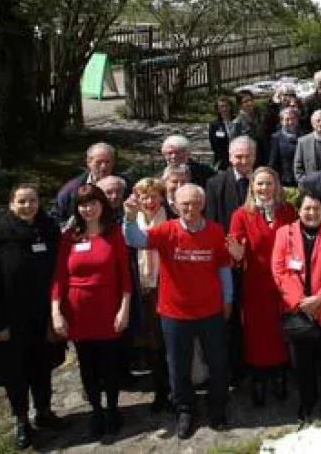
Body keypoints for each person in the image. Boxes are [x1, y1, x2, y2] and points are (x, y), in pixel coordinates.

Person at [122, 185, 233, 439]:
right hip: (175, 313)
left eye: (195, 203)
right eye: (185, 204)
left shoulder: (215, 231)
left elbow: (223, 267)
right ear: (175, 206)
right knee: (177, 366)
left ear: (202, 204)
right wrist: (129, 217)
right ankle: (185, 410)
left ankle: (218, 408)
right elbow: (136, 240)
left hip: (210, 311)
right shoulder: (167, 230)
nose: (190, 209)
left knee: (218, 362)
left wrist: (228, 300)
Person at [0, 185, 63, 450]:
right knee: (16, 372)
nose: (28, 206)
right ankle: (21, 420)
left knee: (43, 365)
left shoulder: (49, 233)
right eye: (22, 201)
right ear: (11, 204)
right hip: (11, 323)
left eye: (33, 201)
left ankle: (44, 412)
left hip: (42, 317)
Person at [51, 184, 132, 443]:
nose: (88, 208)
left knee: (109, 364)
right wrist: (56, 311)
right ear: (77, 208)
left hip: (108, 308)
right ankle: (96, 411)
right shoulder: (69, 237)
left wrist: (124, 308)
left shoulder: (114, 233)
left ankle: (112, 409)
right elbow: (59, 278)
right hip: (78, 311)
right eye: (82, 204)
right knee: (87, 365)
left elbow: (125, 277)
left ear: (102, 205)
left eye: (93, 202)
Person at [271, 189, 321, 422]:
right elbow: (279, 271)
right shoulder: (284, 234)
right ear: (299, 210)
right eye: (307, 208)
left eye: (317, 208)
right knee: (302, 364)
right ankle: (307, 403)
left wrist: (320, 298)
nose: (312, 213)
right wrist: (300, 302)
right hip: (298, 312)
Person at [226, 167, 295, 407]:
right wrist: (236, 253)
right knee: (256, 333)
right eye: (259, 184)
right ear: (252, 187)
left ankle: (279, 375)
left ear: (276, 186)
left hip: (284, 281)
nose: (264, 189)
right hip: (255, 282)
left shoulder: (287, 211)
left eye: (268, 184)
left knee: (280, 330)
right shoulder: (241, 214)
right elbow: (235, 249)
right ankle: (258, 378)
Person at [129, 178, 173, 412]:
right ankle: (159, 391)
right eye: (144, 196)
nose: (149, 201)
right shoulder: (129, 223)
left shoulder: (172, 219)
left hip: (166, 286)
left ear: (161, 197)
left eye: (154, 196)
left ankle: (175, 388)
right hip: (143, 288)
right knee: (152, 342)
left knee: (170, 340)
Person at [293, 110, 321, 183]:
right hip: (310, 186)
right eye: (318, 121)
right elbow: (298, 166)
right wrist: (305, 182)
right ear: (312, 124)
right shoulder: (303, 141)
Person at [269, 106, 302, 186]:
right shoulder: (276, 138)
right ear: (281, 121)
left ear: (297, 120)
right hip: (285, 181)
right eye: (287, 119)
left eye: (292, 118)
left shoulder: (304, 135)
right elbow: (272, 162)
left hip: (302, 179)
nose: (290, 122)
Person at [209, 96, 236, 171]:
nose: (224, 109)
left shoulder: (237, 121)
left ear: (230, 107)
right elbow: (214, 145)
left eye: (226, 106)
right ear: (218, 109)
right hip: (222, 160)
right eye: (221, 106)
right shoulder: (214, 125)